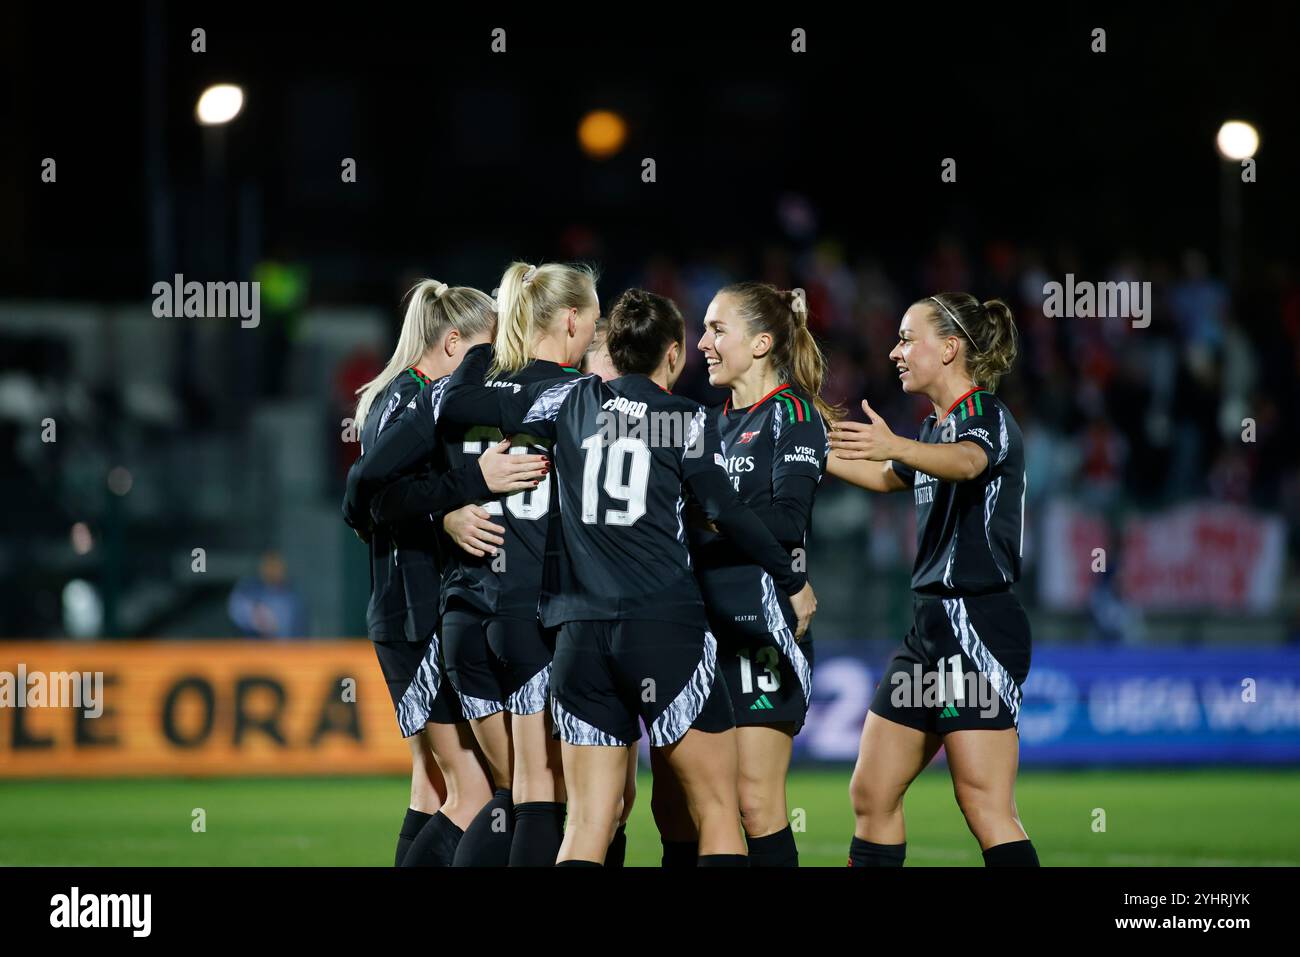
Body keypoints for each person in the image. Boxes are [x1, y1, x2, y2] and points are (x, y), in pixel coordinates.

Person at [438, 287, 818, 866]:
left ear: (609, 347)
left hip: (578, 634)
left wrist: (463, 480)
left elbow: (464, 409)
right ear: (673, 353)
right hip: (663, 627)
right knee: (718, 809)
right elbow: (727, 511)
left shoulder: (570, 403)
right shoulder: (686, 419)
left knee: (588, 822)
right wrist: (790, 580)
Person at [827, 292, 1038, 867]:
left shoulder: (982, 416)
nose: (894, 351)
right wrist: (803, 448)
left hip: (977, 627)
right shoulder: (934, 428)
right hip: (928, 633)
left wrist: (896, 445)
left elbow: (970, 462)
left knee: (983, 803)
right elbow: (882, 475)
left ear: (948, 349)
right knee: (872, 794)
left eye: (905, 337)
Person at [342, 279, 544, 866]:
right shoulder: (419, 399)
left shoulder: (398, 394)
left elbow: (372, 497)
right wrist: (460, 498)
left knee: (432, 787)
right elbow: (371, 491)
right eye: (485, 351)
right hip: (418, 609)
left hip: (404, 609)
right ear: (454, 344)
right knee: (476, 792)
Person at [665, 281, 835, 868]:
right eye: (703, 329)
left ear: (762, 343)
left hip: (762, 626)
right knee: (700, 805)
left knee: (755, 802)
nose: (702, 343)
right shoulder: (705, 424)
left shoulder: (793, 415)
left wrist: (710, 515)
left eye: (717, 330)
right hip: (700, 629)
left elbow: (787, 523)